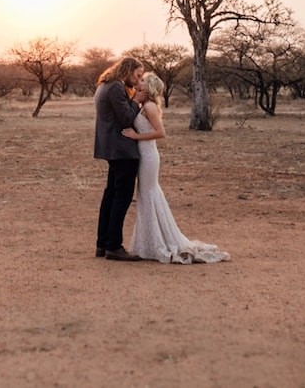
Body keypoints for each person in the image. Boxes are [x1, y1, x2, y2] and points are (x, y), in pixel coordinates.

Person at [123, 73, 230, 264]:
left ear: (149, 87)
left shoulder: (149, 107)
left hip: (149, 156)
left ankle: (158, 242)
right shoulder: (142, 105)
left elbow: (160, 133)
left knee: (149, 194)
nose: (138, 83)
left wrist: (135, 136)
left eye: (142, 81)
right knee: (146, 195)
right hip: (143, 155)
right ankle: (148, 242)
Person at [93, 56, 146, 262]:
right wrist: (136, 101)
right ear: (128, 70)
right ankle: (114, 246)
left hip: (112, 148)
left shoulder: (105, 85)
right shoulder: (115, 87)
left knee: (111, 195)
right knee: (121, 198)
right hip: (122, 149)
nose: (138, 79)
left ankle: (102, 243)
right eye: (137, 75)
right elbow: (125, 118)